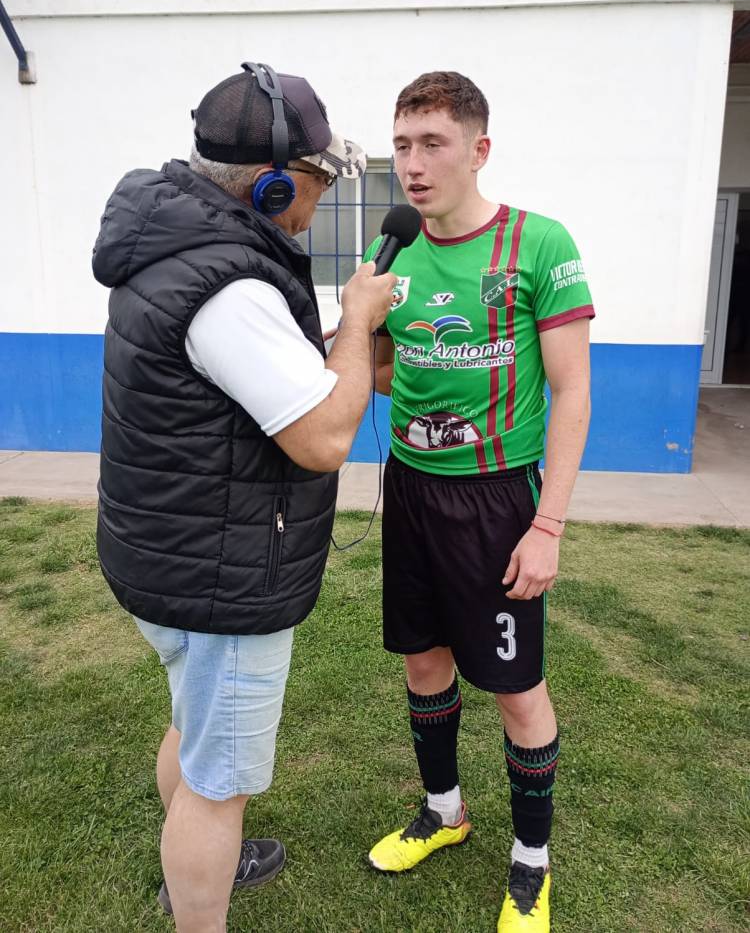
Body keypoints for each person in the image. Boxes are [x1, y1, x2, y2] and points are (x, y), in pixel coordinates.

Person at [92, 62, 395, 933]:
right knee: (219, 783)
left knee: (195, 728)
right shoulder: (231, 288)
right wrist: (361, 321)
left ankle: (194, 852)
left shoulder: (184, 245)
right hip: (218, 577)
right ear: (268, 185)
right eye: (316, 180)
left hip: (171, 555)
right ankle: (200, 896)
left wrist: (330, 349)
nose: (319, 197)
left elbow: (260, 387)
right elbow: (326, 436)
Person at [364, 71, 594, 933]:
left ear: (477, 149)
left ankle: (531, 862)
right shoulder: (392, 257)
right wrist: (354, 334)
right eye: (401, 145)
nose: (413, 165)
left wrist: (547, 525)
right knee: (424, 662)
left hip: (499, 501)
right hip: (412, 492)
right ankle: (445, 809)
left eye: (432, 144)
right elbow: (389, 370)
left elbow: (573, 393)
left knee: (514, 686)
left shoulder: (538, 244)